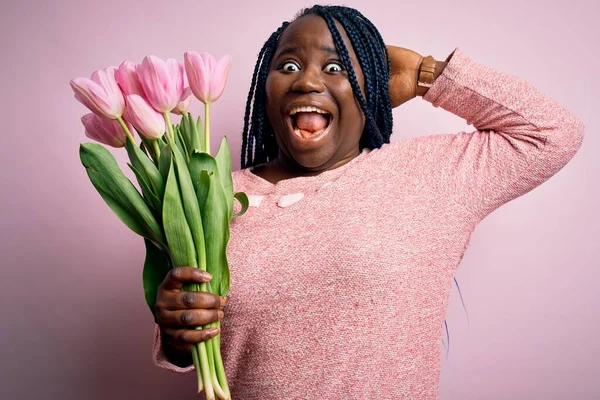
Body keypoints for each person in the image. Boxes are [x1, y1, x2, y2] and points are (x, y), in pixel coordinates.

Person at [151, 5, 584, 399]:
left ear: (370, 88)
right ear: (266, 89)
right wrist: (175, 332)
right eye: (288, 65)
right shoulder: (207, 196)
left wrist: (424, 73)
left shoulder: (428, 176)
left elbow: (552, 133)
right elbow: (193, 349)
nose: (306, 80)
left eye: (337, 66)